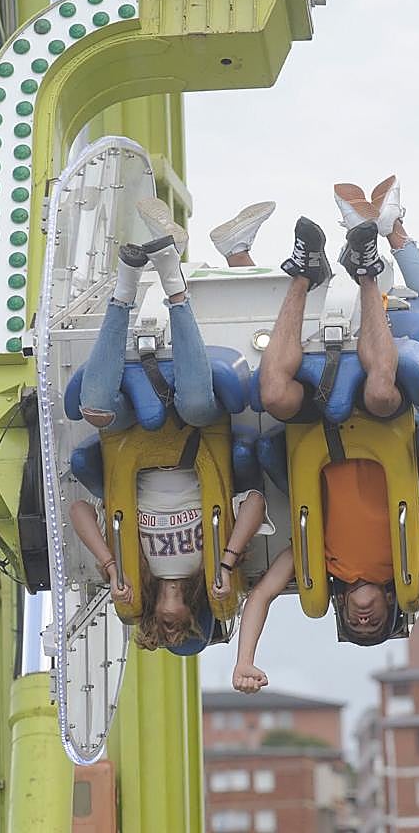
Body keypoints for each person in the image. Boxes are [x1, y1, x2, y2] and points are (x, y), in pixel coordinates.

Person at [236, 176, 419, 692]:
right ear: (393, 603)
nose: (364, 622)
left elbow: (257, 597)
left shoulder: (317, 560)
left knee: (274, 393)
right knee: (379, 390)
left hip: (316, 432)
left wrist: (246, 660)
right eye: (376, 626)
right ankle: (368, 271)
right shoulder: (413, 547)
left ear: (342, 609)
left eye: (355, 626)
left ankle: (303, 273)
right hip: (378, 421)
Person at [68, 199, 276, 650]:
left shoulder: (130, 563)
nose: (170, 623)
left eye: (161, 630)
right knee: (200, 400)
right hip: (194, 439)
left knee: (95, 408)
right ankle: (173, 283)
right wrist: (225, 563)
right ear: (197, 612)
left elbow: (78, 510)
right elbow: (257, 501)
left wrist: (108, 565)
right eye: (181, 627)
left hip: (132, 443)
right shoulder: (211, 562)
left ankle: (126, 287)